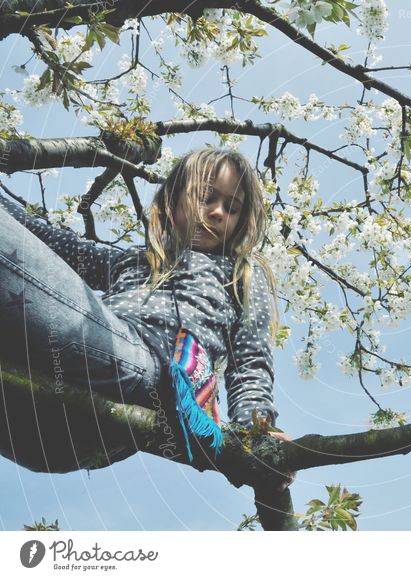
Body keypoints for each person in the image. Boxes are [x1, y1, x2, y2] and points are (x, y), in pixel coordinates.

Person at [0, 147, 294, 492]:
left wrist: (258, 434)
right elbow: (47, 238)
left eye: (231, 208)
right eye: (205, 196)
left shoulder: (240, 273)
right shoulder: (132, 261)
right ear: (171, 200)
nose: (216, 212)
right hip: (36, 421)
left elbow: (250, 364)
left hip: (142, 373)